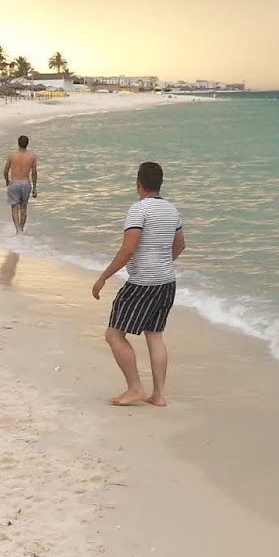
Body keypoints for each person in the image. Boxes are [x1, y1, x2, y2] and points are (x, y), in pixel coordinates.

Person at [91, 160, 185, 407]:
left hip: (143, 283)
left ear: (138, 184)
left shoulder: (139, 210)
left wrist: (103, 277)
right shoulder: (172, 210)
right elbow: (180, 245)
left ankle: (135, 388)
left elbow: (128, 249)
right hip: (167, 282)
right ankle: (159, 395)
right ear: (160, 184)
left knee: (114, 334)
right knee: (155, 336)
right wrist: (163, 262)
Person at [4, 135, 38, 234]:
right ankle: (21, 229)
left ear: (18, 143)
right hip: (25, 183)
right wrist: (34, 188)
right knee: (23, 207)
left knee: (14, 207)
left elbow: (6, 171)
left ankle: (17, 229)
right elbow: (34, 173)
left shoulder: (12, 155)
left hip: (14, 182)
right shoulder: (32, 156)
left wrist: (7, 181)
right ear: (27, 144)